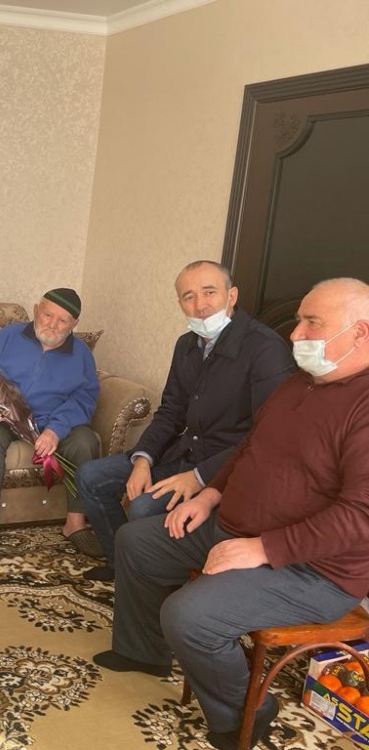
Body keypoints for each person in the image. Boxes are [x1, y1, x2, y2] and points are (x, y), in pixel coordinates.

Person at [93, 278, 369, 750]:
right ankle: (143, 653)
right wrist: (208, 495)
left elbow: (360, 516)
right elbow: (249, 448)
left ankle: (246, 711)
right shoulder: (300, 383)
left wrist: (264, 548)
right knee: (137, 541)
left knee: (190, 616)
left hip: (313, 570)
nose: (296, 334)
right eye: (299, 320)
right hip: (236, 527)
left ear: (360, 332)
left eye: (312, 323)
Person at [76, 260, 295, 581]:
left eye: (209, 292)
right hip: (181, 453)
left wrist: (200, 477)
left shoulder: (265, 348)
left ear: (232, 295)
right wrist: (143, 459)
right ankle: (122, 566)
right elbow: (171, 411)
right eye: (188, 297)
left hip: (224, 467)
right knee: (91, 476)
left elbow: (267, 435)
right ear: (180, 303)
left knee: (143, 507)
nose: (200, 305)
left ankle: (155, 580)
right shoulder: (186, 345)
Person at [0, 287, 101, 557]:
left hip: (53, 421)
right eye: (48, 315)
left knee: (86, 442)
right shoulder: (8, 336)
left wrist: (56, 429)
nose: (53, 324)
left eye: (63, 320)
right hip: (6, 418)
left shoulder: (82, 354)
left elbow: (84, 397)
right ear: (37, 310)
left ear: (74, 324)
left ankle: (75, 524)